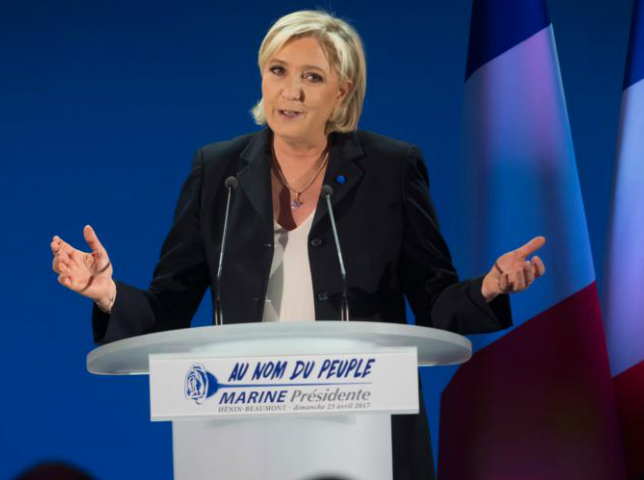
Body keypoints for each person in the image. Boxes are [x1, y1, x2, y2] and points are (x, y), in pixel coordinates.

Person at [49, 10, 546, 480]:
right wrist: (107, 292)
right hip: (243, 420)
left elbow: (435, 301)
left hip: (363, 417)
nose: (291, 91)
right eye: (278, 70)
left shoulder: (391, 169)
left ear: (342, 91)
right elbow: (169, 309)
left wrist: (488, 287)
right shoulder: (217, 171)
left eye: (312, 77)